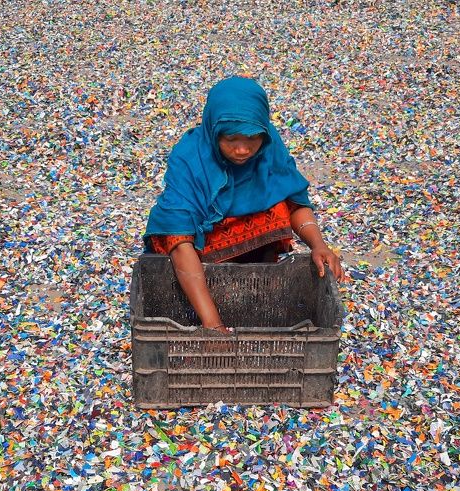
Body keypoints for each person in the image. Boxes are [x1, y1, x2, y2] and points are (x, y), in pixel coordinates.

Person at [144, 76, 343, 331]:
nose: (242, 150)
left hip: (245, 237)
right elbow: (179, 237)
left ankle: (258, 275)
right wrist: (213, 325)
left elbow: (294, 198)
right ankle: (207, 297)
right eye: (231, 140)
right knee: (175, 237)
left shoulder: (270, 145)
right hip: (200, 245)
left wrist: (318, 245)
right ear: (214, 131)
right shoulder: (189, 157)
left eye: (252, 139)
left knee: (279, 207)